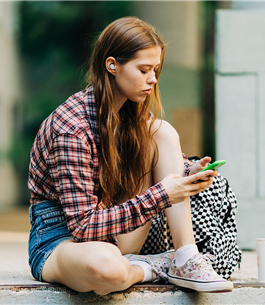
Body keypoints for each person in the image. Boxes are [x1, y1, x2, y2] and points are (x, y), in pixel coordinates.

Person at [27, 16, 233, 295]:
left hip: (117, 232)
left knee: (161, 130)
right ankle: (155, 266)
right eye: (144, 69)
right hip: (62, 239)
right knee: (107, 270)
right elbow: (82, 226)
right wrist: (162, 194)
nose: (153, 79)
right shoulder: (71, 129)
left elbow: (159, 170)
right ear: (112, 65)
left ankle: (185, 257)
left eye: (156, 69)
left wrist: (189, 173)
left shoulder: (132, 112)